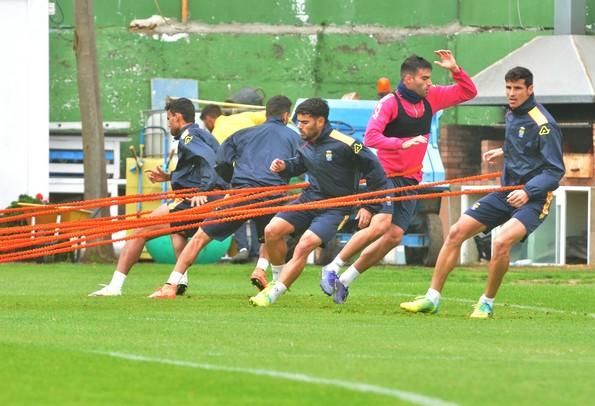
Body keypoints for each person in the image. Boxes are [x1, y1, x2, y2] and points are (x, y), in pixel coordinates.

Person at [401, 66, 565, 318]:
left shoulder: (544, 124)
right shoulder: (511, 114)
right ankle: (432, 298)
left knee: (500, 243)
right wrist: (505, 151)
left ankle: (486, 303)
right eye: (508, 88)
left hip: (534, 199)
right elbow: (524, 147)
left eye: (518, 88)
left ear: (530, 89)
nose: (511, 93)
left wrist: (528, 192)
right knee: (455, 232)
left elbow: (554, 171)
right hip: (505, 191)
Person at [319, 50, 478, 304]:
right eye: (424, 78)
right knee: (381, 225)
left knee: (393, 236)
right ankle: (332, 267)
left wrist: (455, 70)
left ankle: (346, 280)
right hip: (384, 175)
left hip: (411, 179)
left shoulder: (432, 97)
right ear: (408, 80)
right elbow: (371, 137)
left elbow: (469, 92)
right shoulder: (389, 103)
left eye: (430, 78)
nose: (430, 83)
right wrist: (400, 144)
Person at [148, 95, 300, 299]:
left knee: (200, 238)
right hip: (271, 195)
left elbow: (221, 160)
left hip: (241, 193)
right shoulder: (295, 137)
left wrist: (232, 180)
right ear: (286, 115)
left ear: (266, 114)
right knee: (273, 235)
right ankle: (269, 276)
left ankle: (171, 286)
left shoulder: (243, 134)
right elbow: (303, 163)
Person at [249, 98, 388, 307]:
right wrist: (284, 167)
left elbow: (376, 171)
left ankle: (273, 294)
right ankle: (278, 280)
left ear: (320, 121)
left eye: (305, 122)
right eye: (299, 122)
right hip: (309, 199)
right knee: (271, 231)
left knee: (304, 245)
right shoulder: (305, 143)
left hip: (336, 207)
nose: (300, 126)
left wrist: (369, 206)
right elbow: (300, 164)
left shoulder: (348, 144)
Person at [89, 98, 227, 296]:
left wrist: (202, 190)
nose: (168, 123)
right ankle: (179, 281)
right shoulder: (203, 134)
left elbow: (207, 159)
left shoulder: (189, 136)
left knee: (140, 230)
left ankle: (115, 287)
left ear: (178, 118)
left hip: (198, 198)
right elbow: (205, 165)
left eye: (169, 119)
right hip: (215, 197)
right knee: (177, 232)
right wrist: (171, 177)